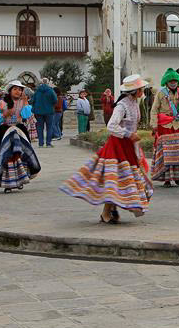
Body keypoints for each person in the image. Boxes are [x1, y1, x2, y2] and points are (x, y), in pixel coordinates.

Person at [60, 75, 153, 223]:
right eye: (141, 89)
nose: (143, 91)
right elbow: (111, 126)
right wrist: (128, 134)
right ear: (135, 91)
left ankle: (110, 210)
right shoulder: (122, 105)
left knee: (118, 180)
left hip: (128, 146)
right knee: (114, 179)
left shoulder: (134, 103)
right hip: (117, 146)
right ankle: (107, 212)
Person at [0, 81, 41, 193]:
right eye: (15, 89)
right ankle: (7, 182)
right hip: (5, 131)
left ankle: (20, 179)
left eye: (20, 89)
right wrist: (5, 114)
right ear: (10, 91)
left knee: (20, 155)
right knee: (5, 155)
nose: (19, 91)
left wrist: (26, 102)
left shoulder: (23, 103)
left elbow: (27, 116)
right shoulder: (2, 103)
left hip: (19, 130)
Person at [150, 68, 179, 187]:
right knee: (166, 153)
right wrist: (154, 124)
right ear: (166, 82)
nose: (173, 82)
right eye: (170, 80)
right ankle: (167, 179)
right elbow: (154, 109)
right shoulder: (161, 94)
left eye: (175, 80)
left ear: (178, 81)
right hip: (165, 125)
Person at [32, 78, 57, 148]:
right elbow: (55, 100)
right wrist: (50, 104)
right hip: (49, 111)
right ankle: (48, 143)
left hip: (38, 112)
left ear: (41, 83)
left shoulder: (37, 91)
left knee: (40, 128)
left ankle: (40, 144)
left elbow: (32, 100)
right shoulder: (51, 90)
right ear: (47, 83)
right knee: (49, 127)